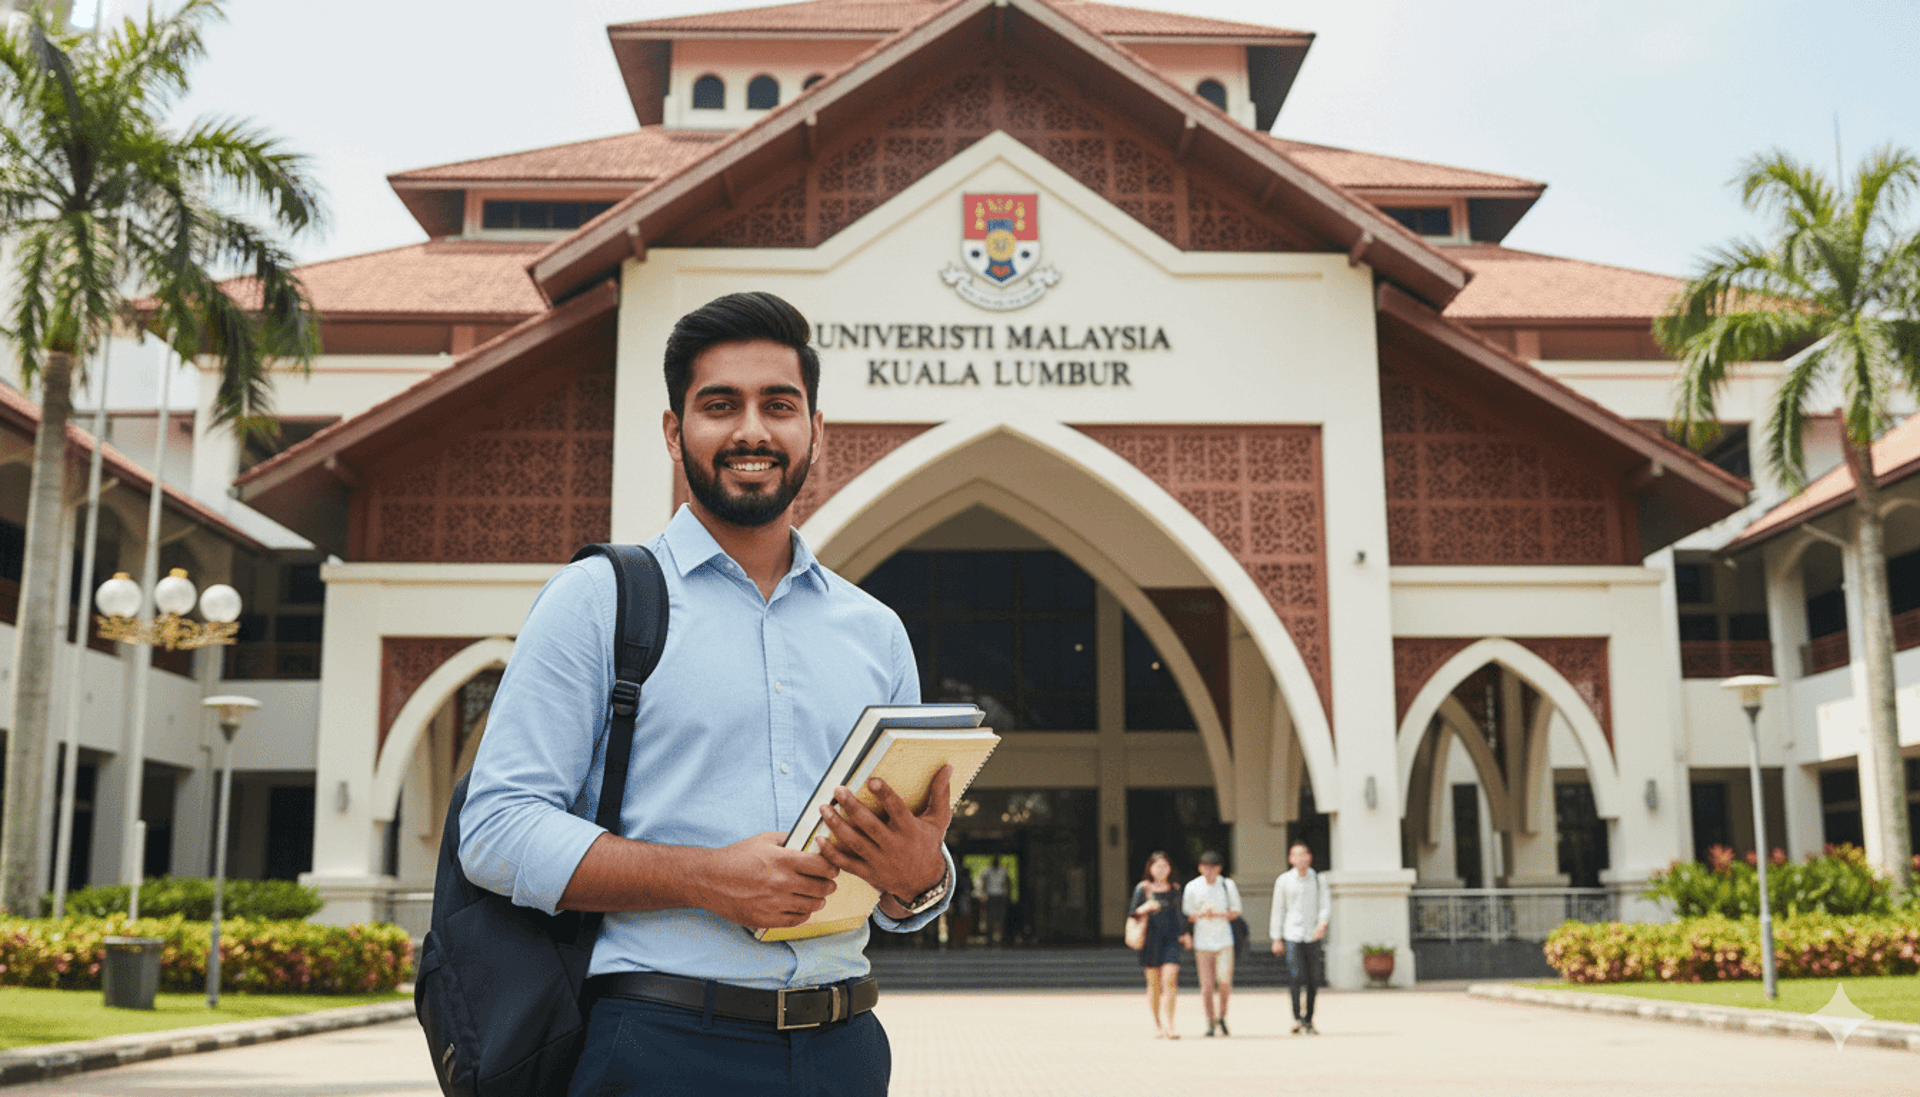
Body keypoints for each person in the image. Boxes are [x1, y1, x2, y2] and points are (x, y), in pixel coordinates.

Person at [459, 291, 956, 1097]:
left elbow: (907, 880)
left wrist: (921, 874)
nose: (752, 430)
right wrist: (705, 878)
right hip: (660, 1044)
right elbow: (496, 830)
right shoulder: (598, 600)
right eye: (720, 405)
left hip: (847, 1051)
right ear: (673, 431)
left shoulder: (876, 632)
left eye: (779, 405)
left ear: (815, 432)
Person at [1269, 841, 1330, 1035]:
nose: (1301, 858)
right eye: (1296, 855)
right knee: (1296, 976)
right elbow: (1278, 909)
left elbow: (1324, 905)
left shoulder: (1319, 880)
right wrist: (1276, 937)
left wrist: (1322, 925)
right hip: (1292, 934)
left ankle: (1309, 1019)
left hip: (1312, 934)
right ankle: (1296, 1017)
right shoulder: (1284, 880)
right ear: (1290, 858)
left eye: (1304, 854)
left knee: (1313, 978)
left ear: (1310, 856)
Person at [1127, 851, 1189, 1039]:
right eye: (1157, 866)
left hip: (1171, 939)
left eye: (1165, 866)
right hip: (1150, 940)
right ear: (1150, 868)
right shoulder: (1143, 889)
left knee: (1170, 981)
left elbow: (1180, 914)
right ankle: (1157, 1024)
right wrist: (1145, 908)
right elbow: (1132, 914)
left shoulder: (1175, 888)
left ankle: (1170, 1025)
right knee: (1153, 984)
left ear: (1170, 868)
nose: (1161, 870)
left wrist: (1185, 933)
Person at [1181, 850, 1241, 1037]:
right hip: (1203, 940)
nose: (1209, 871)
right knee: (1206, 986)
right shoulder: (1192, 886)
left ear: (1219, 869)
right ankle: (1210, 1020)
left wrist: (1218, 914)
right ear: (1200, 868)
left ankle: (1222, 1016)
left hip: (1223, 939)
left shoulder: (1227, 885)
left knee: (1224, 982)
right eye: (1206, 868)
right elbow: (1187, 913)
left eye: (1213, 868)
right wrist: (1202, 914)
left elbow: (1236, 911)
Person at [978, 855, 1011, 945]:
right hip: (991, 895)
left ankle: (1001, 937)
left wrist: (1007, 894)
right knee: (990, 917)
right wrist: (983, 894)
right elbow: (984, 883)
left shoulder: (1003, 871)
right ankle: (990, 938)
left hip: (1000, 895)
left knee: (1000, 917)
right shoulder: (988, 871)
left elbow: (1007, 882)